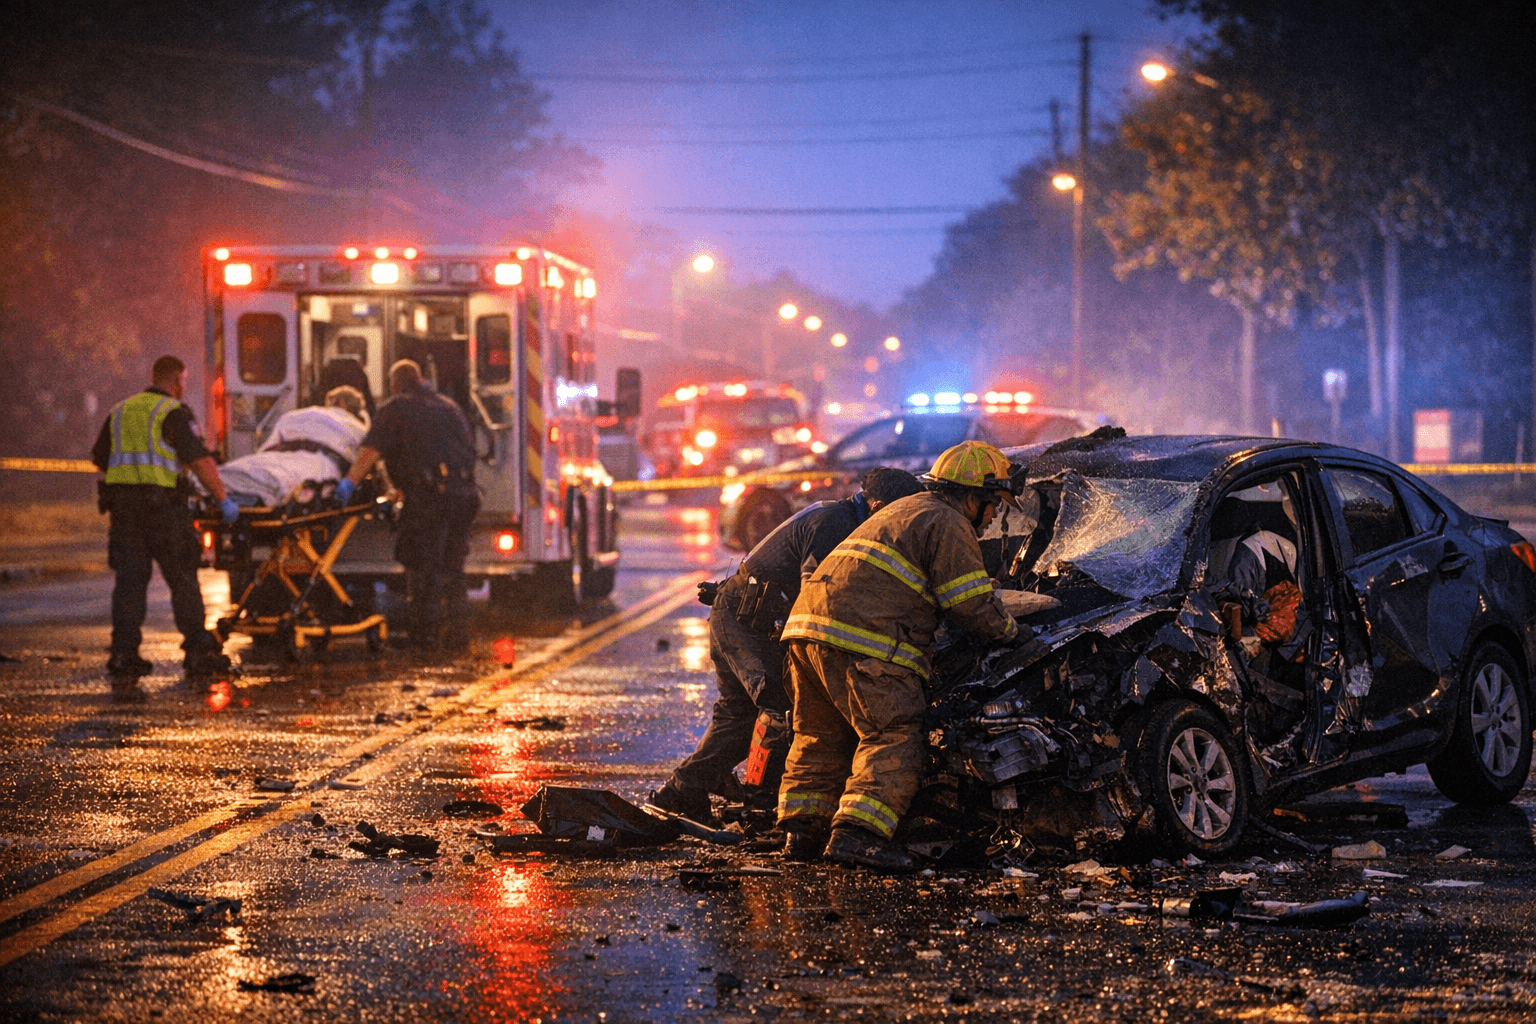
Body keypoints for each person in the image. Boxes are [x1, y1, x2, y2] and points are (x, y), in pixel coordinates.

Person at [776, 440, 1024, 870]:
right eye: (994, 506)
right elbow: (969, 603)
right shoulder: (948, 522)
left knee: (820, 736)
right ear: (972, 497)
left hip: (806, 629)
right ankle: (859, 835)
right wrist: (1012, 633)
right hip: (863, 639)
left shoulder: (903, 510)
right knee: (894, 735)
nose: (993, 519)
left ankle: (802, 835)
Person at [650, 468, 926, 825]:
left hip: (740, 616)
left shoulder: (840, 516)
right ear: (877, 506)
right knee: (782, 705)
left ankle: (684, 790)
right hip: (743, 622)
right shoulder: (835, 524)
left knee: (738, 715)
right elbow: (817, 594)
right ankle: (764, 800)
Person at [91, 355, 238, 677]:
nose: (183, 389)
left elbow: (100, 457)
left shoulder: (120, 410)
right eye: (183, 383)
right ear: (175, 381)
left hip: (124, 512)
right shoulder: (172, 412)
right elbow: (199, 460)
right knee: (183, 580)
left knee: (129, 584)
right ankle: (198, 653)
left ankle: (123, 654)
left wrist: (130, 479)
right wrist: (223, 499)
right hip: (164, 512)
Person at [336, 359, 478, 655]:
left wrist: (349, 482)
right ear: (421, 378)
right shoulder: (450, 406)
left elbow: (371, 450)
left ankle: (423, 640)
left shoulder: (395, 408)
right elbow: (469, 448)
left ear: (394, 384)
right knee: (453, 567)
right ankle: (457, 637)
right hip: (463, 495)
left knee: (421, 567)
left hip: (428, 497)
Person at [217, 386, 369, 507]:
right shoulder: (357, 428)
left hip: (277, 455)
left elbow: (267, 448)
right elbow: (365, 460)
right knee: (277, 477)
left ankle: (223, 482)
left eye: (330, 401)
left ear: (340, 403)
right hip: (319, 460)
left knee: (255, 468)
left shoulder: (297, 415)